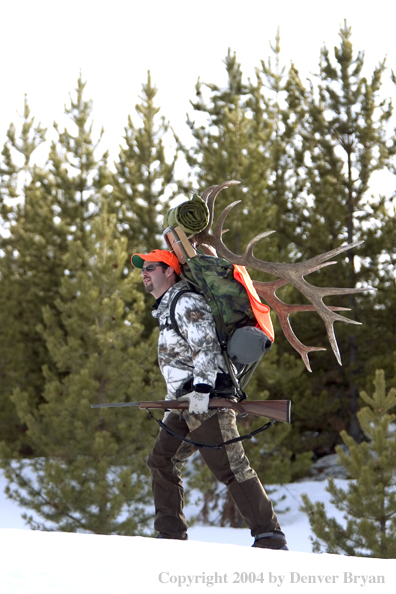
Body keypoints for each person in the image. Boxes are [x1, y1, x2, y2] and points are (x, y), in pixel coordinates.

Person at [131, 248, 288, 550]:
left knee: (231, 467)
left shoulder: (186, 302)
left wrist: (203, 391)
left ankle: (270, 536)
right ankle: (170, 536)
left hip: (205, 398)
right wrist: (172, 406)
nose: (145, 273)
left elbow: (206, 346)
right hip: (184, 402)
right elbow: (179, 365)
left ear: (170, 271)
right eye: (143, 268)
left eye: (152, 267)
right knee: (161, 460)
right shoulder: (167, 308)